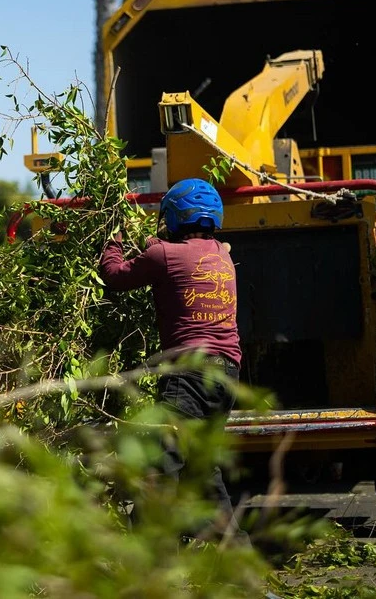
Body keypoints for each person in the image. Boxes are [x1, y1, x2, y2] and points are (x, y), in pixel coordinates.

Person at [99, 177, 244, 538]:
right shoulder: (222, 255)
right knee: (204, 473)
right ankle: (240, 566)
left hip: (188, 376)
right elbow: (172, 254)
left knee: (159, 468)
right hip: (227, 374)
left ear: (175, 217)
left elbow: (115, 276)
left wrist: (113, 242)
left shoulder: (163, 254)